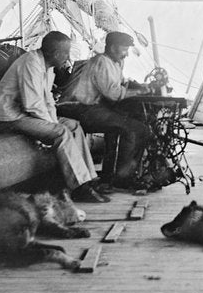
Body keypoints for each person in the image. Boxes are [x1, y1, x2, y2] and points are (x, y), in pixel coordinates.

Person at [0, 31, 109, 203]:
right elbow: (33, 104)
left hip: (24, 113)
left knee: (73, 126)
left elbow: (48, 101)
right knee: (61, 132)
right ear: (55, 54)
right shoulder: (31, 63)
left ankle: (88, 178)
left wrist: (53, 121)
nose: (67, 57)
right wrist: (54, 126)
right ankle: (79, 187)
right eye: (65, 53)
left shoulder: (47, 67)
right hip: (7, 116)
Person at [55, 31, 155, 192]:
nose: (127, 54)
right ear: (114, 47)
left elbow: (122, 83)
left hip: (91, 107)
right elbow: (114, 93)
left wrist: (139, 86)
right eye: (124, 49)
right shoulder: (100, 62)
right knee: (135, 129)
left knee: (124, 125)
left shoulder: (116, 63)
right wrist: (140, 92)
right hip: (76, 108)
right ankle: (123, 178)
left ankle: (111, 176)